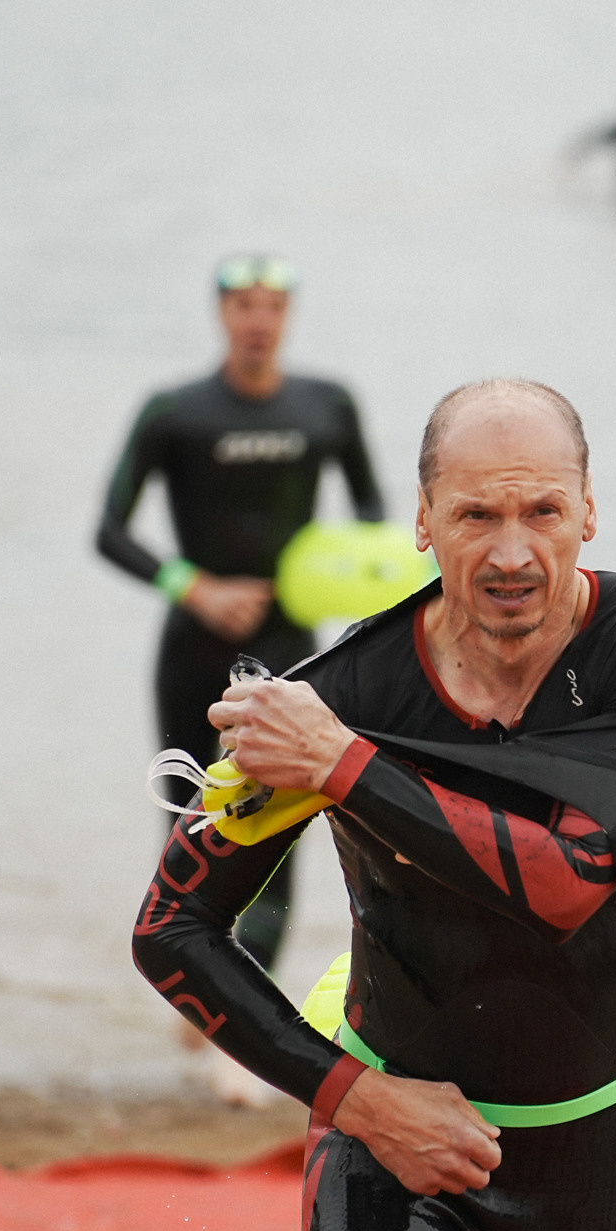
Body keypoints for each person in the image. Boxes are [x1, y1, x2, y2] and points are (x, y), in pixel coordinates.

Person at [132, 379, 616, 1231]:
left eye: (542, 510)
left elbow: (573, 879)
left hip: (596, 1148)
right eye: (475, 514)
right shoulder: (342, 695)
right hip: (391, 1147)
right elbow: (172, 927)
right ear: (421, 521)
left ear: (589, 509)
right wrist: (355, 1099)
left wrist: (345, 768)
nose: (511, 553)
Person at [96, 254, 384, 972]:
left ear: (287, 317)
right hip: (192, 647)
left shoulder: (328, 406)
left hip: (291, 649)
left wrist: (334, 585)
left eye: (272, 306)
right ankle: (195, 982)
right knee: (189, 824)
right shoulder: (175, 412)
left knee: (279, 827)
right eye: (244, 305)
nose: (258, 320)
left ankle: (242, 1012)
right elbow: (110, 531)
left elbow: (374, 517)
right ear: (221, 313)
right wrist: (192, 586)